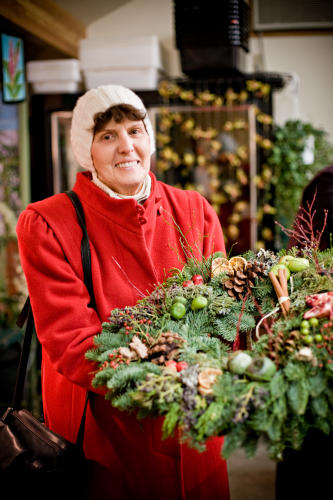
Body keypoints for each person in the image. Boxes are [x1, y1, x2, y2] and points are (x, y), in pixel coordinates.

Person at [16, 85, 230, 500]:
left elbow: (227, 313)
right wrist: (162, 382)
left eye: (135, 130)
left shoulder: (194, 209)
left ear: (149, 138)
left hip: (198, 420)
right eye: (108, 136)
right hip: (108, 434)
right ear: (87, 150)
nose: (126, 146)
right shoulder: (48, 223)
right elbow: (71, 339)